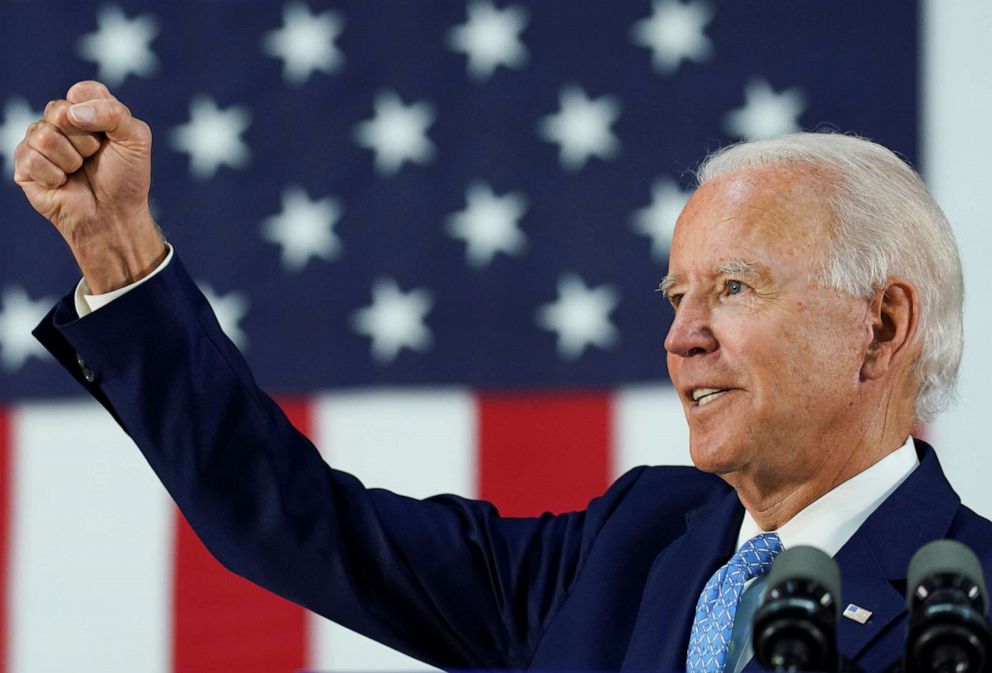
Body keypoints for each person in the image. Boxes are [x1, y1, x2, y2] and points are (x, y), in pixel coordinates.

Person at [14, 80, 992, 673]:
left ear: (882, 324)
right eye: (673, 296)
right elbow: (295, 521)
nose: (681, 337)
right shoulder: (630, 546)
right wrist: (116, 251)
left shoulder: (971, 600)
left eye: (733, 288)